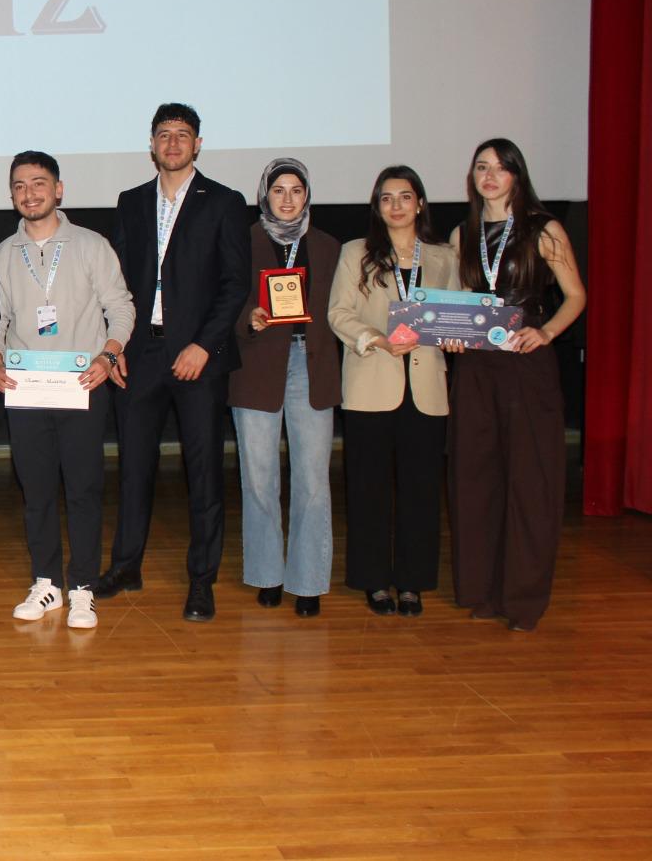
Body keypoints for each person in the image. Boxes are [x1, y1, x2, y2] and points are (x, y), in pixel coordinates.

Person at [99, 103, 250, 623]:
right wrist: (116, 346)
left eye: (182, 134)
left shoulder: (224, 202)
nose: (172, 143)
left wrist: (203, 345)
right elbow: (117, 283)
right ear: (152, 144)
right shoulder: (132, 201)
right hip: (140, 354)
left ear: (197, 144)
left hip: (198, 358)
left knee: (203, 472)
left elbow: (235, 284)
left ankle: (202, 581)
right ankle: (126, 566)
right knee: (133, 468)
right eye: (164, 134)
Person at [0, 151, 133, 629]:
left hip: (83, 386)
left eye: (38, 183)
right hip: (26, 388)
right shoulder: (1, 256)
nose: (29, 193)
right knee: (37, 492)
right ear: (12, 195)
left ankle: (83, 588)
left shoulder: (91, 245)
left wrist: (108, 355)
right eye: (20, 186)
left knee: (85, 490)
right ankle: (47, 583)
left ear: (58, 189)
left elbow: (121, 307)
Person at [446, 139, 585, 631]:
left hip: (526, 366)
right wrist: (452, 335)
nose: (489, 176)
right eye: (481, 167)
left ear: (517, 176)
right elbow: (460, 300)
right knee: (475, 480)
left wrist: (546, 332)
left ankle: (523, 599)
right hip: (476, 368)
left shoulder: (543, 229)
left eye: (500, 168)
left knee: (529, 482)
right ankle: (483, 590)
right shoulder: (462, 234)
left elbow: (575, 296)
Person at [327, 165, 458, 617]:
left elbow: (454, 313)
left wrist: (455, 336)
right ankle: (373, 580)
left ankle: (413, 582)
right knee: (369, 488)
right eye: (386, 198)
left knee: (421, 489)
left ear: (420, 203)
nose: (396, 206)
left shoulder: (444, 256)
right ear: (377, 206)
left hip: (426, 387)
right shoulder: (355, 252)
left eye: (404, 197)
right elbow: (338, 313)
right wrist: (378, 339)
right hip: (371, 383)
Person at [227, 159, 341, 617]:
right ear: (264, 195)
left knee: (312, 480)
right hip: (256, 366)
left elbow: (342, 308)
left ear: (307, 195)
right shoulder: (243, 241)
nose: (288, 199)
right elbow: (222, 297)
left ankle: (308, 580)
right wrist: (247, 317)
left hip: (312, 367)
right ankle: (267, 574)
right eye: (279, 190)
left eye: (296, 190)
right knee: (259, 479)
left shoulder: (328, 246)